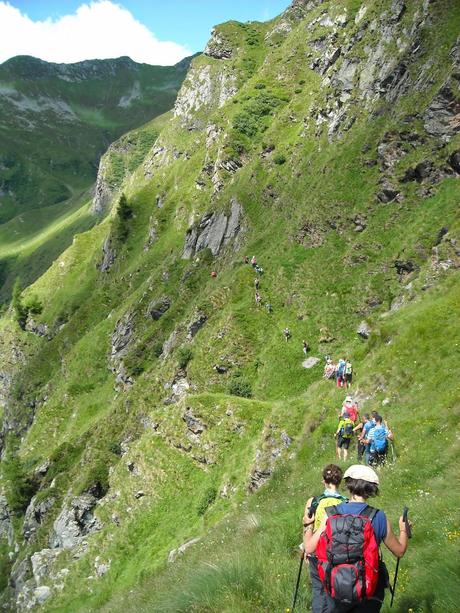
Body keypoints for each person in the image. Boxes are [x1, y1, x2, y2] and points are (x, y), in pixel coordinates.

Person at [303, 465, 411, 613]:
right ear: (372, 489)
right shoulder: (378, 516)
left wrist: (308, 525)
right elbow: (399, 551)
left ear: (348, 485)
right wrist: (404, 529)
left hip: (337, 588)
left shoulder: (332, 514)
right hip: (368, 590)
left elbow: (309, 548)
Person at [302, 465, 348, 613]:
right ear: (340, 481)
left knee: (318, 590)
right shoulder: (346, 502)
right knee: (335, 591)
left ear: (323, 481)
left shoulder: (313, 501)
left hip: (316, 551)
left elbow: (307, 525)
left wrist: (305, 550)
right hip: (338, 552)